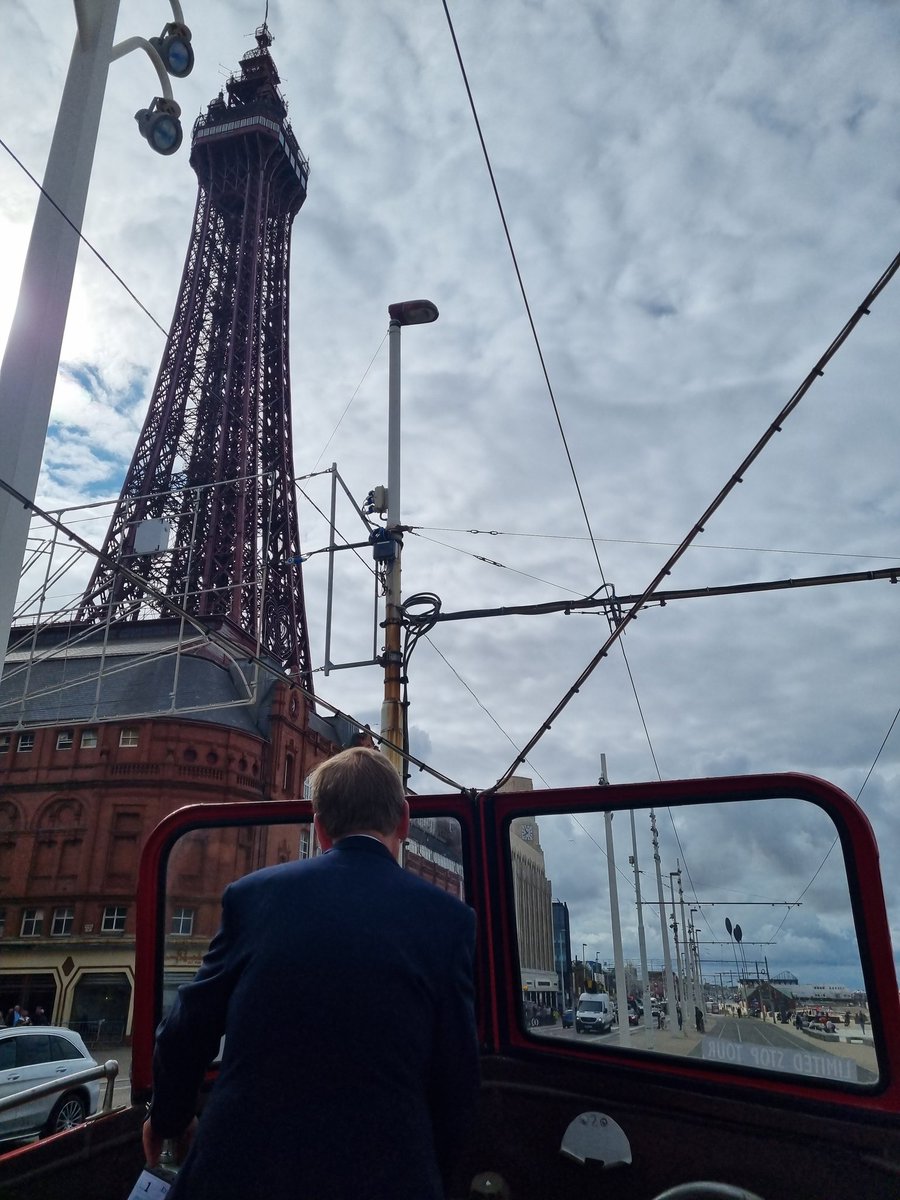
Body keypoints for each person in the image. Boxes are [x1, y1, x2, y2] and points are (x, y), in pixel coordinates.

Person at [143, 746, 480, 1200]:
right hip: (387, 1177)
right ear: (403, 819)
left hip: (240, 1174)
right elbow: (457, 1078)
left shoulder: (251, 897)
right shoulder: (449, 919)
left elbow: (186, 1028)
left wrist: (168, 1118)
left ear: (318, 827)